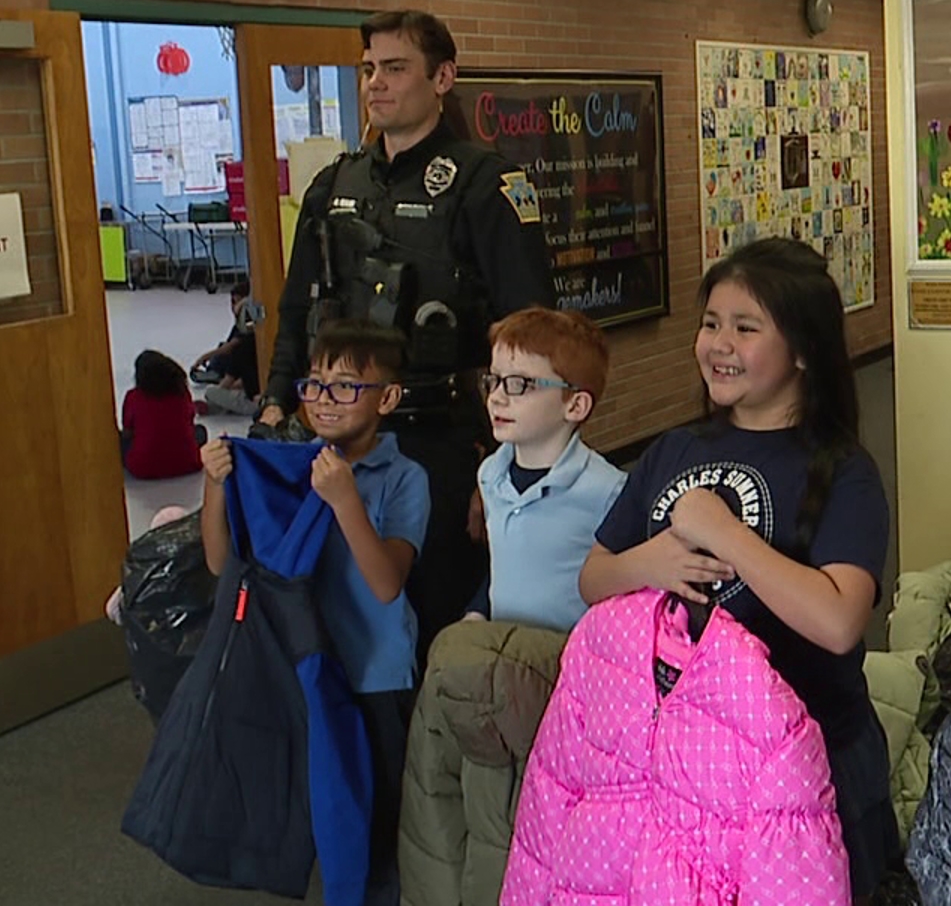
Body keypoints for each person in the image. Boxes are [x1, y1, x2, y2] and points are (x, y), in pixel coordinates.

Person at [577, 237, 896, 902]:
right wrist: (651, 563)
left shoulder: (842, 470)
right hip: (683, 765)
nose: (718, 344)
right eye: (711, 324)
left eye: (745, 328)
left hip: (809, 763)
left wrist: (723, 532)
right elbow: (593, 578)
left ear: (803, 349)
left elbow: (839, 622)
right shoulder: (674, 449)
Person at [259, 9, 556, 664]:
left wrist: (508, 467)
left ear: (443, 77)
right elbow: (296, 310)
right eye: (369, 69)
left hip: (445, 442)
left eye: (395, 68)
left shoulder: (486, 186)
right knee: (340, 625)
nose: (376, 84)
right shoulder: (334, 186)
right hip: (341, 442)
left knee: (432, 626)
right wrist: (277, 402)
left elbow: (533, 338)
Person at [201, 319, 429, 906]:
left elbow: (386, 585)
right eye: (316, 384)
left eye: (347, 386)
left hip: (372, 675)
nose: (325, 400)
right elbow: (222, 561)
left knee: (374, 824)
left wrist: (345, 498)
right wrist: (214, 487)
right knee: (321, 813)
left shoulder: (405, 478)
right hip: (303, 671)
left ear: (389, 398)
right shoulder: (287, 468)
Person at [463, 306, 625, 629]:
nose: (496, 398)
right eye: (493, 381)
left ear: (575, 405)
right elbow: (505, 565)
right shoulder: (490, 474)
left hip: (571, 661)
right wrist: (476, 613)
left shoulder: (608, 491)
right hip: (504, 656)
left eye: (520, 384)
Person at [121, 349, 204, 480]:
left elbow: (128, 432)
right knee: (199, 431)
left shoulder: (133, 397)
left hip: (144, 468)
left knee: (121, 441)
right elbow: (189, 421)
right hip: (188, 463)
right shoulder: (182, 393)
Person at [192, 276, 265, 416]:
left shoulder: (240, 346)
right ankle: (217, 407)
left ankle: (214, 406)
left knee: (212, 392)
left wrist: (203, 358)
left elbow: (226, 383)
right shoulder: (262, 338)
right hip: (259, 393)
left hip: (255, 403)